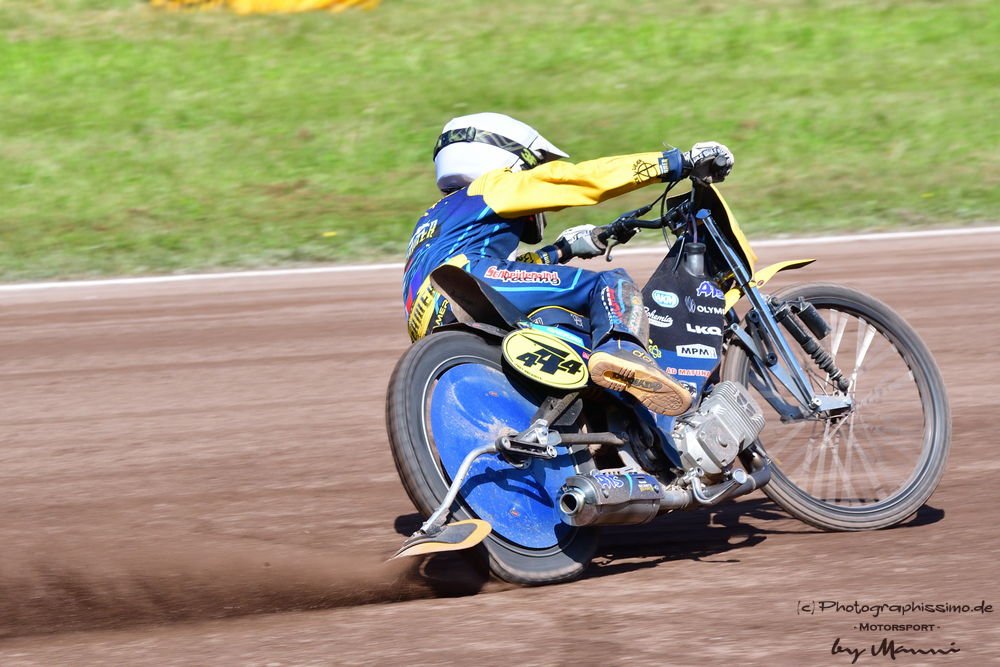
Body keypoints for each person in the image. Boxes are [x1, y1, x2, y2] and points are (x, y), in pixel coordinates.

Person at [402, 112, 733, 416]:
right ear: (505, 158)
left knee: (564, 323)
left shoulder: (433, 219)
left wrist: (563, 249)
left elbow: (508, 273)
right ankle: (622, 351)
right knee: (609, 284)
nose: (535, 175)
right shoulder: (490, 186)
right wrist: (676, 162)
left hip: (431, 321)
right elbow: (577, 181)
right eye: (533, 167)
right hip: (471, 281)